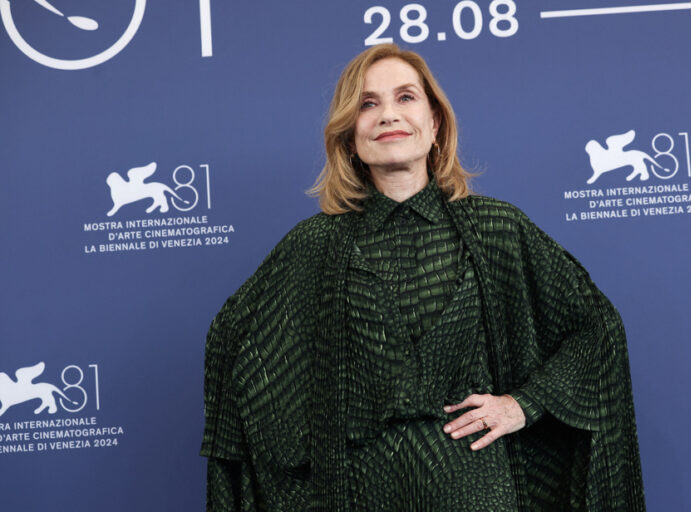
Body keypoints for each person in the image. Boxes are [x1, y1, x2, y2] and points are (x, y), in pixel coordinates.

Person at [201, 43, 645, 511]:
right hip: (359, 493)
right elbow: (234, 346)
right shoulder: (315, 246)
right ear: (351, 136)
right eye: (368, 104)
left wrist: (524, 404)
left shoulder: (497, 229)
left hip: (478, 488)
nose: (388, 115)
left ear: (435, 124)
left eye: (406, 98)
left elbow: (597, 331)